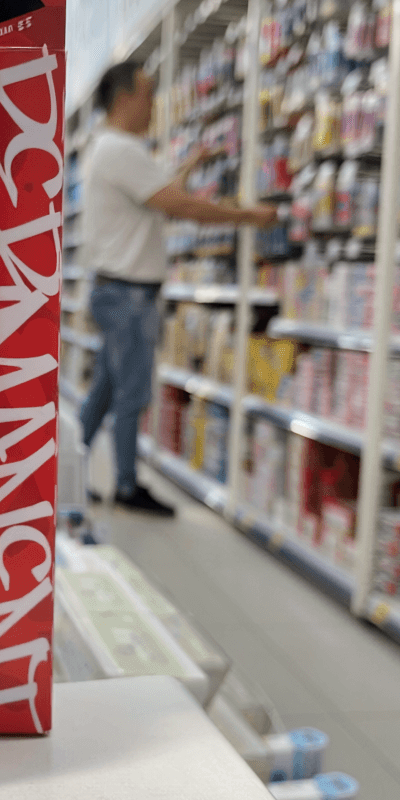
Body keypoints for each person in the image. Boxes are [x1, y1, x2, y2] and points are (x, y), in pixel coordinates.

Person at [79, 61, 277, 516]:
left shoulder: (111, 149)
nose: (154, 104)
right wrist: (248, 216)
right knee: (131, 394)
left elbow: (160, 194)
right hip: (128, 295)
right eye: (148, 94)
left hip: (119, 292)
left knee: (108, 389)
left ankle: (68, 466)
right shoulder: (119, 150)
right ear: (124, 98)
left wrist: (189, 164)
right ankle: (127, 486)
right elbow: (179, 205)